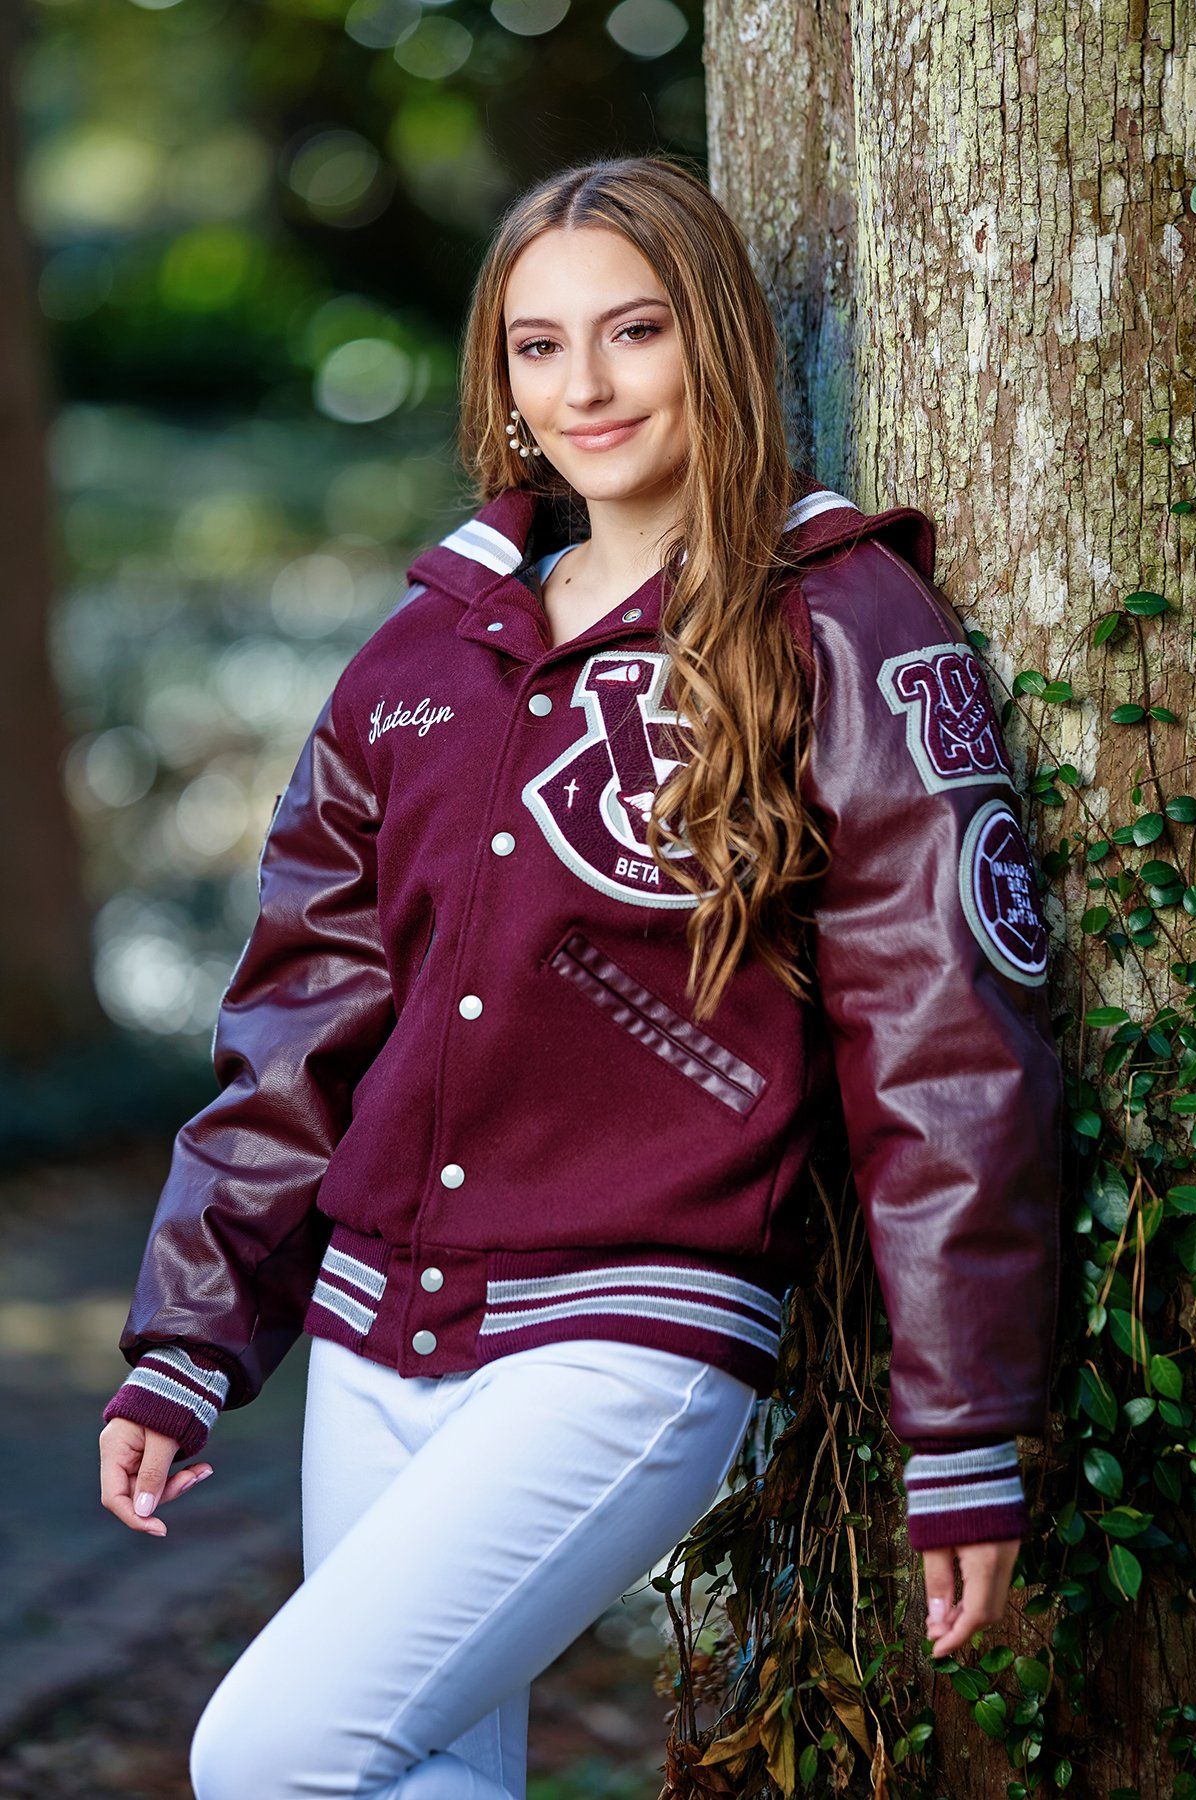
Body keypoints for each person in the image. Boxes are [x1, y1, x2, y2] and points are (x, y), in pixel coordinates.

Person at [97, 152, 1063, 1799]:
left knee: (272, 1755)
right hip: (373, 1324)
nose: (586, 387)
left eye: (635, 331)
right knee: (413, 1774)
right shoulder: (426, 648)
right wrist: (193, 1333)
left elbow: (945, 1039)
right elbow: (301, 1018)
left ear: (718, 342)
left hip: (632, 1325)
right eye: (538, 346)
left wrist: (964, 1428)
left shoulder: (844, 627)